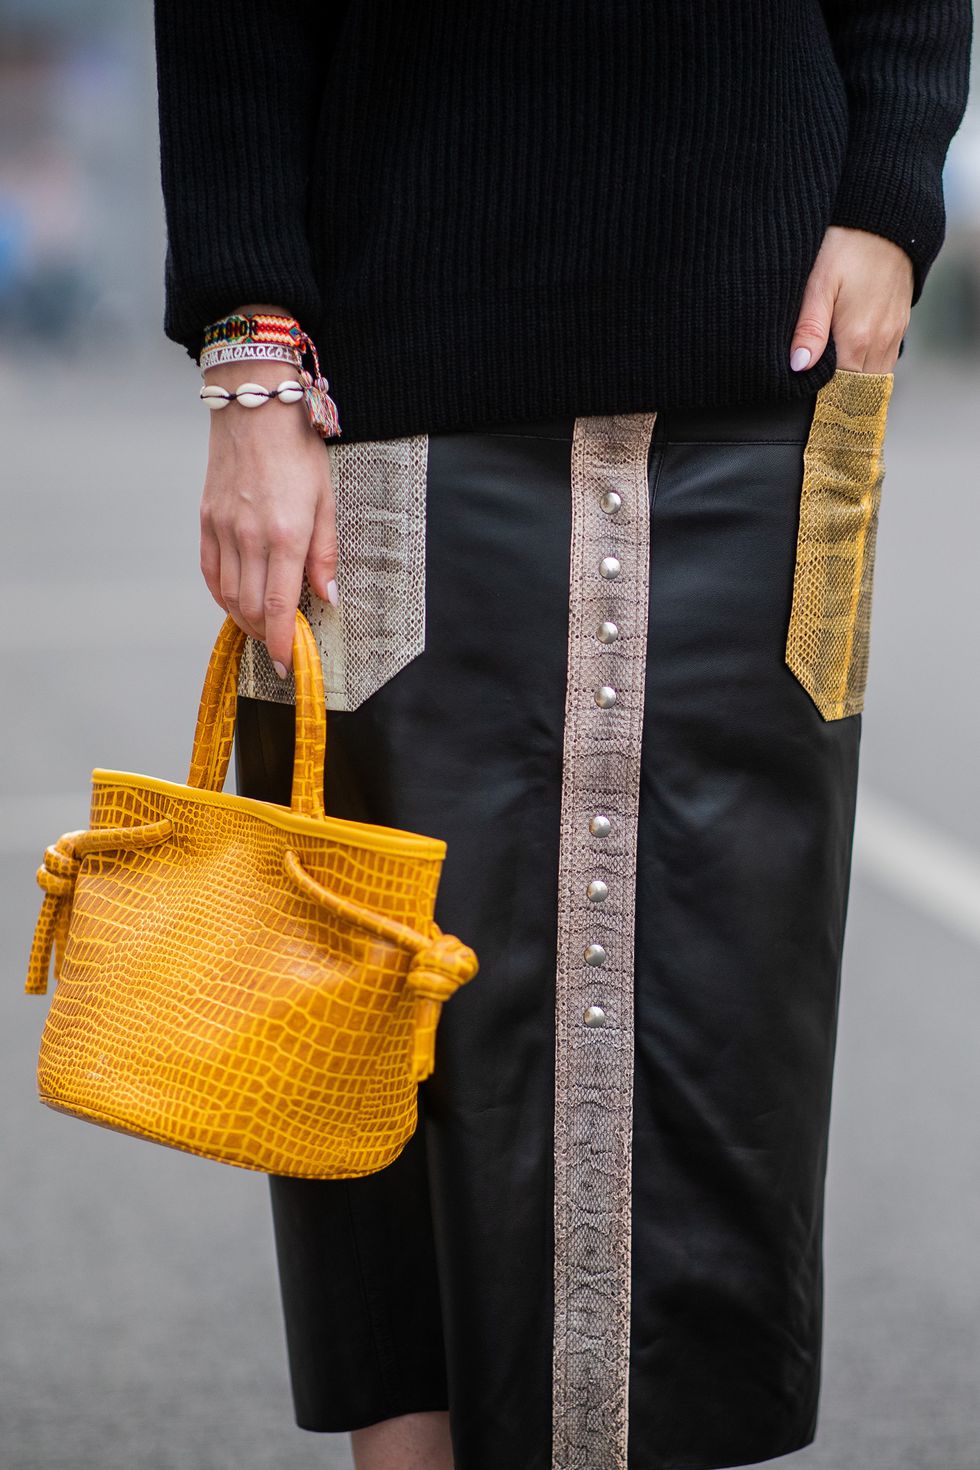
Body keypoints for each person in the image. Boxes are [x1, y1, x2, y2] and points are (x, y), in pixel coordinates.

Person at [152, 5, 972, 1469]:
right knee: (379, 1042)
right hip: (384, 394)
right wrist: (247, 355)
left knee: (724, 1038)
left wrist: (892, 191)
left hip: (763, 388)